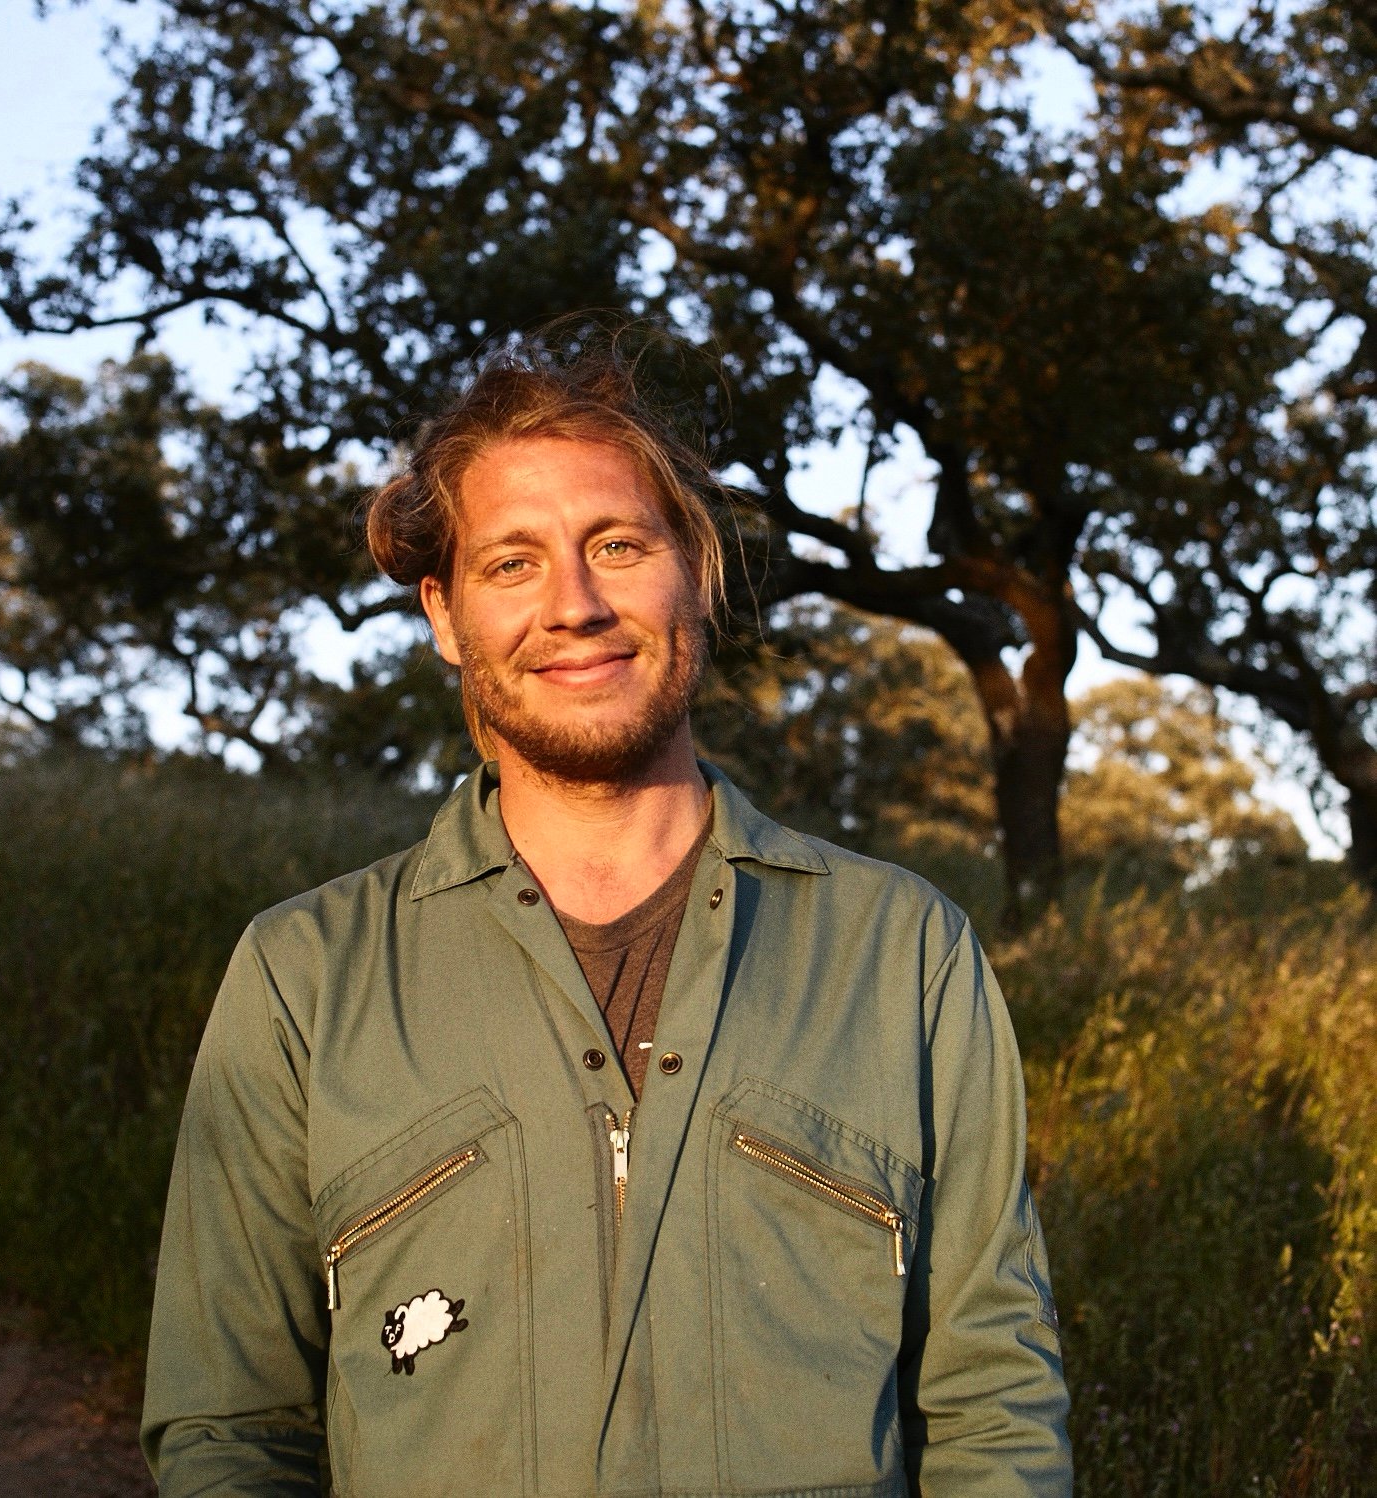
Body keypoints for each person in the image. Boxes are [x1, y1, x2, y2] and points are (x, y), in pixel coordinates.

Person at [141, 340, 1072, 1496]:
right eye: (511, 563)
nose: (574, 606)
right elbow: (230, 1425)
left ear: (697, 573)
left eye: (618, 546)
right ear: (444, 614)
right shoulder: (302, 977)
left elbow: (994, 1403)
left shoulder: (903, 952)